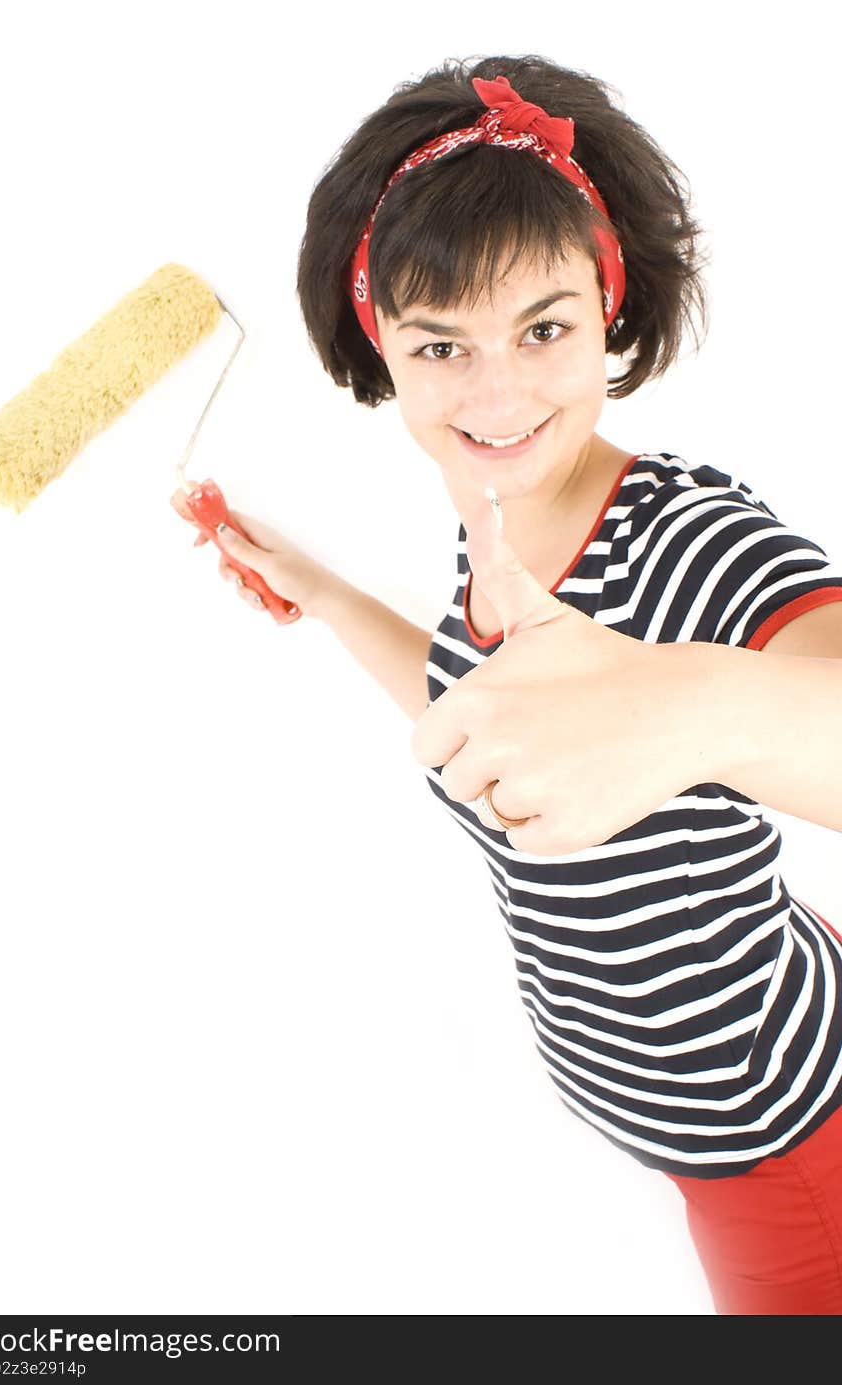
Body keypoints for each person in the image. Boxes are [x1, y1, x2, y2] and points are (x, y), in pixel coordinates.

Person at [194, 54, 842, 1314]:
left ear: (610, 308)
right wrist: (325, 594)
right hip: (693, 1108)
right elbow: (482, 714)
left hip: (778, 1147)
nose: (495, 393)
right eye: (443, 345)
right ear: (382, 346)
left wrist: (687, 701)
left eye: (542, 327)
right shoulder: (497, 520)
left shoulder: (687, 537)